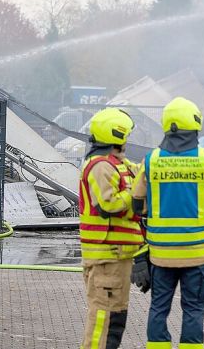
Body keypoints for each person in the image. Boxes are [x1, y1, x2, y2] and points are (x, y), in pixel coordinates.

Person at [132, 97, 204, 349]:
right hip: (197, 254)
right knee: (193, 310)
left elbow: (137, 205)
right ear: (196, 123)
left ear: (166, 125)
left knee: (158, 308)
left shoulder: (151, 161)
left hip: (161, 255)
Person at [78, 108, 144, 349]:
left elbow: (142, 172)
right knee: (103, 320)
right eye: (126, 135)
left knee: (115, 319)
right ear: (117, 135)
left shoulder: (119, 164)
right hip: (105, 257)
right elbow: (108, 204)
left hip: (118, 256)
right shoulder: (101, 166)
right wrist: (134, 194)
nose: (128, 141)